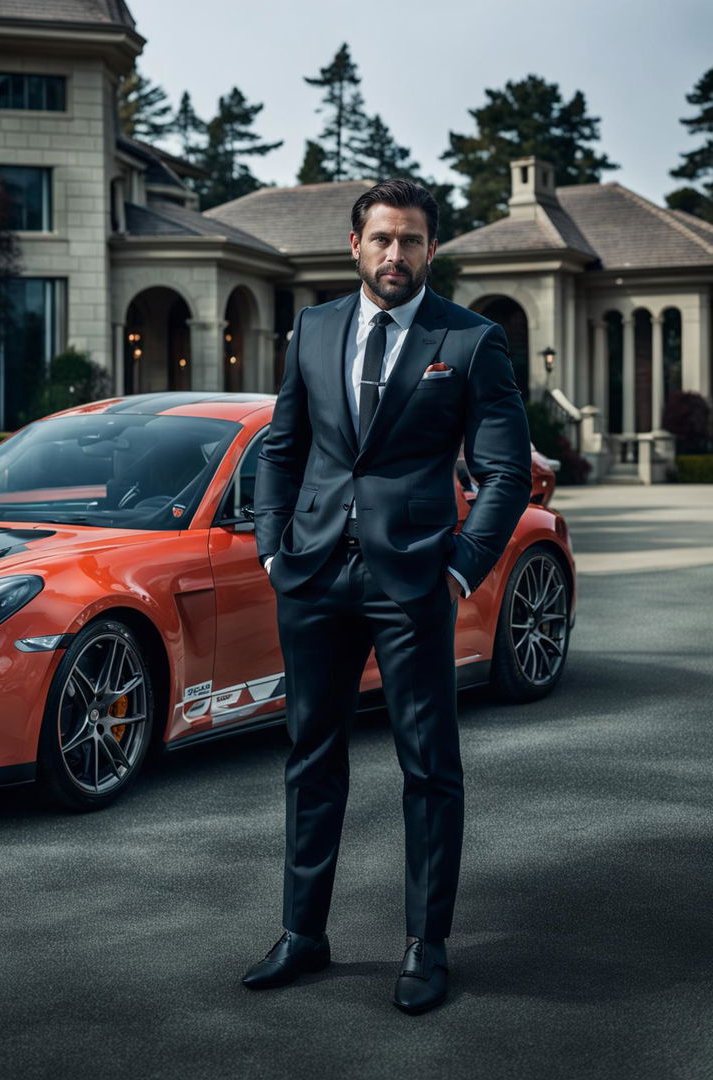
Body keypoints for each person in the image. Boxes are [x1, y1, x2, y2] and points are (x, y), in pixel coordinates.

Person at [242, 178, 531, 1014]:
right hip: (314, 575)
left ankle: (425, 946)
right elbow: (282, 447)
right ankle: (303, 934)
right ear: (354, 245)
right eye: (381, 239)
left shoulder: (470, 342)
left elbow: (506, 470)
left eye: (410, 240)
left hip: (413, 581)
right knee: (310, 758)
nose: (395, 254)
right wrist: (271, 546)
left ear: (431, 249)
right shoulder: (314, 328)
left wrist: (460, 566)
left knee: (428, 766)